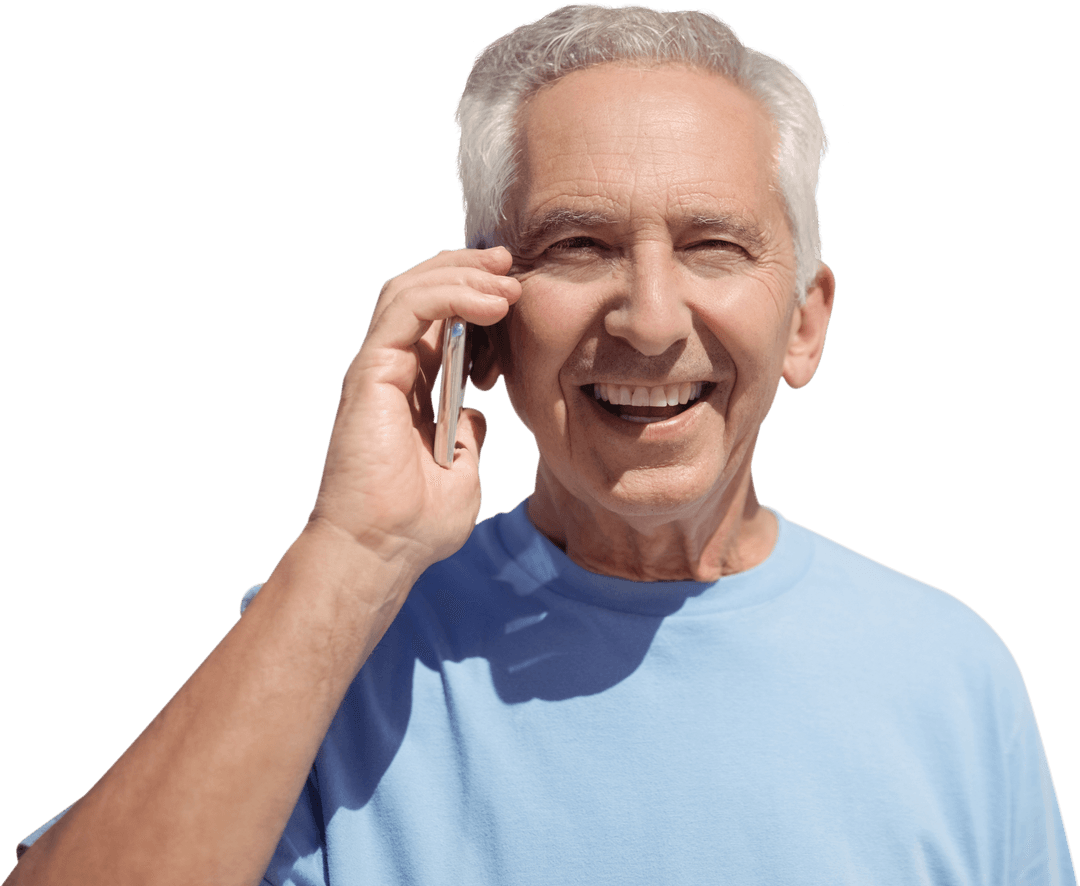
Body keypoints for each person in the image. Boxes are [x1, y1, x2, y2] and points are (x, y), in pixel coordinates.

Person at [7, 4, 1075, 884]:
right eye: (579, 245)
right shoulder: (339, 642)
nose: (651, 321)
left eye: (712, 246)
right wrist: (353, 548)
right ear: (483, 324)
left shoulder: (950, 674)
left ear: (803, 321)